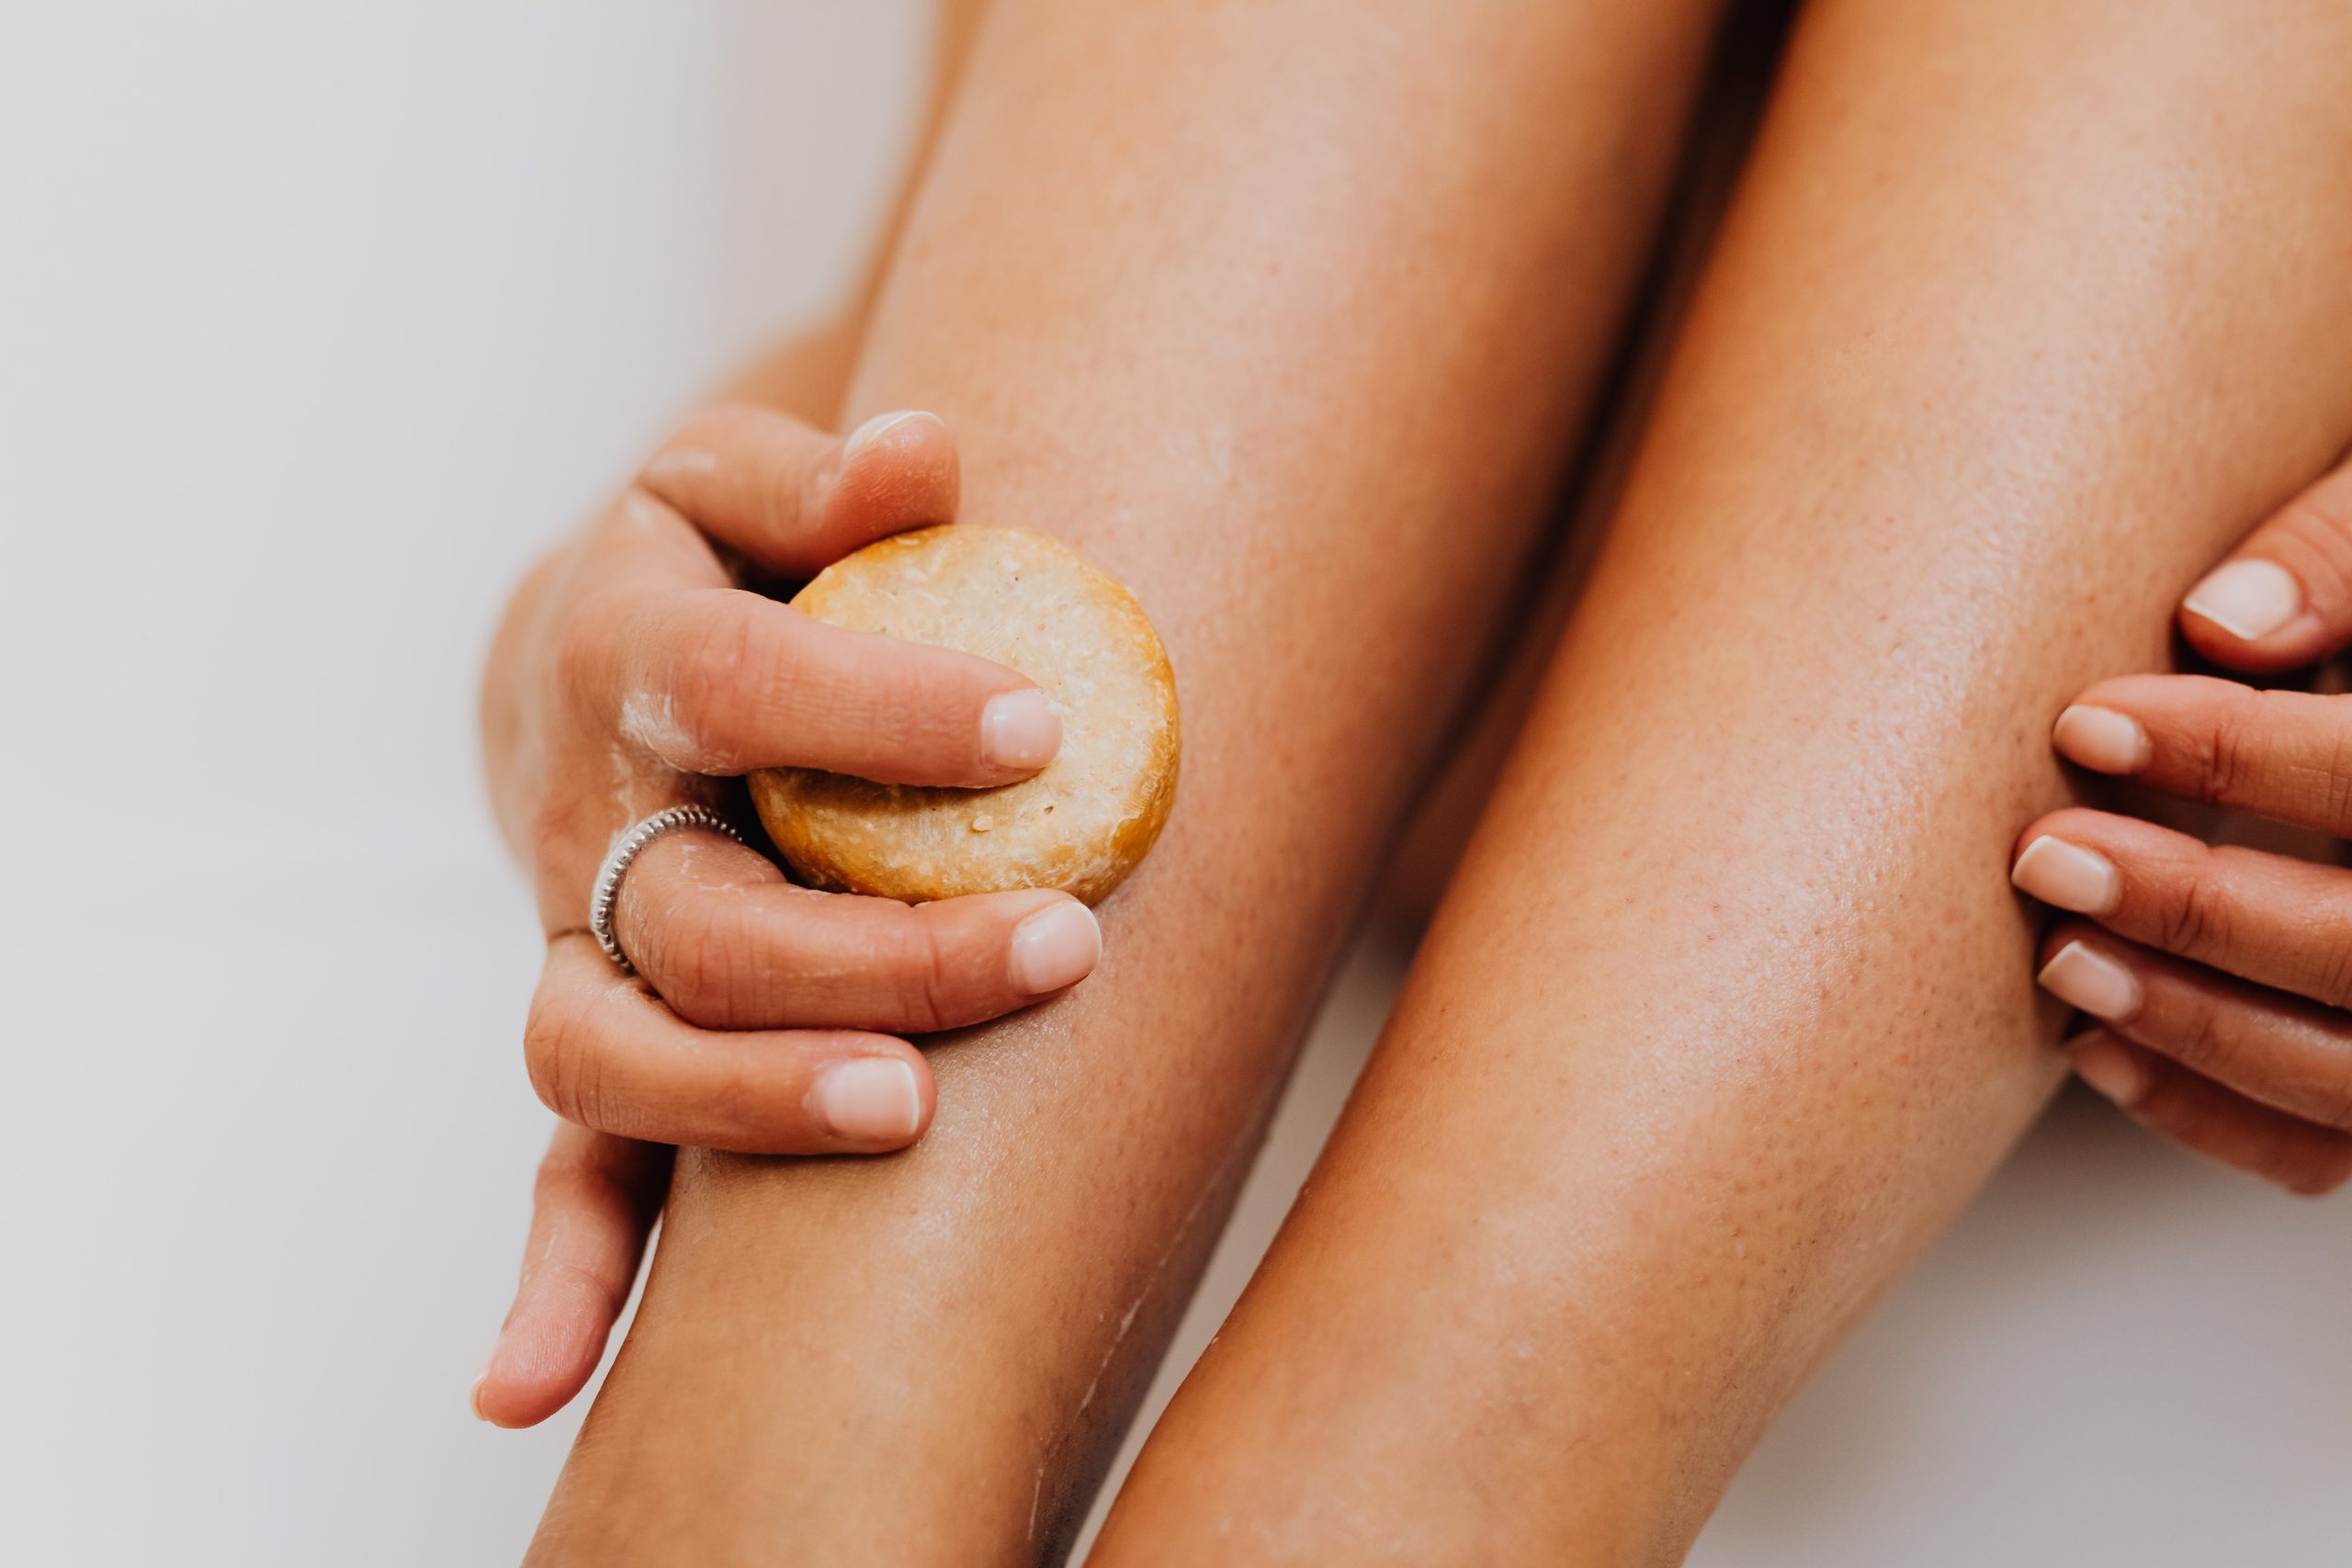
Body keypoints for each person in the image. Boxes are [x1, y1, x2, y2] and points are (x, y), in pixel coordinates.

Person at [473, 0, 2352, 1560]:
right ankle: (815, 1454)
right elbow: (881, 457)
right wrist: (643, 692)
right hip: (1521, 669)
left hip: (2125, 747)